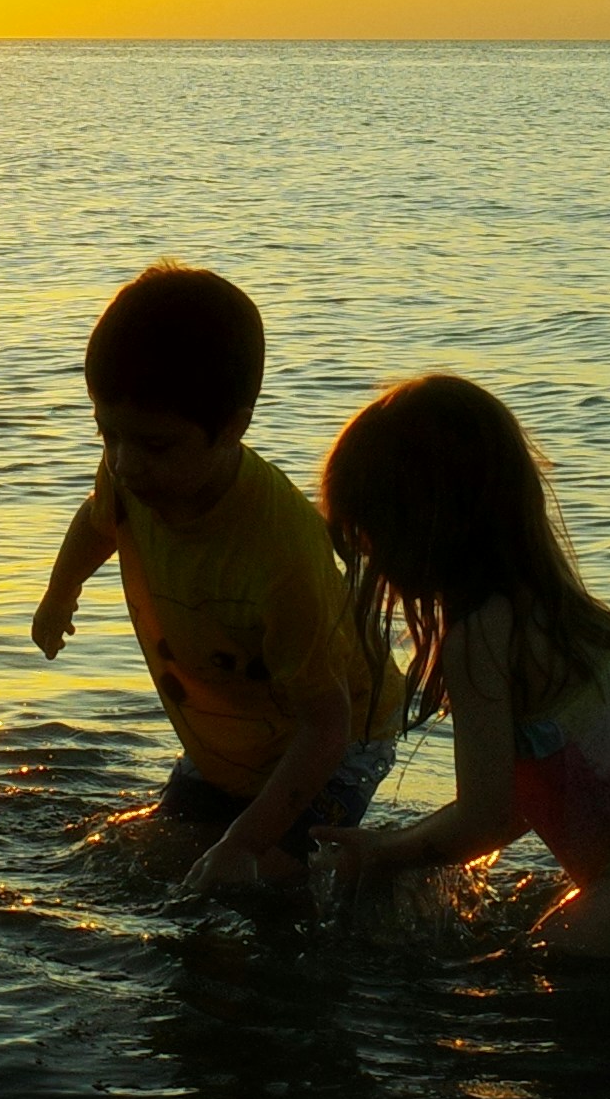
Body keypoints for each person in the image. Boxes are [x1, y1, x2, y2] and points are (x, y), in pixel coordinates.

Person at [315, 371, 610, 961]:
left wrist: (385, 852)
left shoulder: (480, 634)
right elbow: (517, 805)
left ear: (421, 524)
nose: (371, 563)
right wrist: (399, 843)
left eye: (368, 538)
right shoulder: (563, 612)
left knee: (532, 973)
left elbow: (482, 822)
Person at [31, 262, 406, 895]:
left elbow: (327, 725)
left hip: (336, 743)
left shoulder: (280, 554)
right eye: (108, 434)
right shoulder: (133, 475)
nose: (124, 462)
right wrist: (59, 593)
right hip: (231, 735)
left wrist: (244, 842)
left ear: (231, 427)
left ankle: (381, 881)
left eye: (153, 446)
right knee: (164, 863)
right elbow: (99, 522)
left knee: (259, 880)